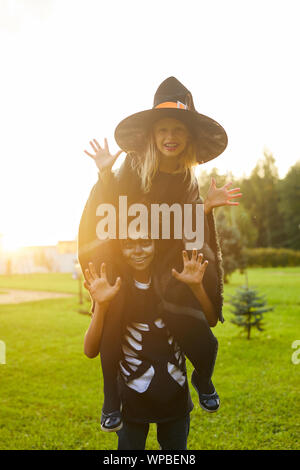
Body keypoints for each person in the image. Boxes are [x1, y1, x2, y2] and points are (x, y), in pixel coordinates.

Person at [78, 77, 242, 433]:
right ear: (152, 136)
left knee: (197, 322)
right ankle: (111, 398)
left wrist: (206, 210)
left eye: (178, 130)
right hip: (129, 259)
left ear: (188, 138)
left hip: (166, 268)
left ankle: (203, 378)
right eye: (163, 129)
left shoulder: (186, 178)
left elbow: (186, 228)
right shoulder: (133, 169)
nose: (170, 136)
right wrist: (105, 171)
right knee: (113, 316)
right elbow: (109, 209)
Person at [84, 233, 218, 450]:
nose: (137, 251)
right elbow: (90, 350)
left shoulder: (176, 278)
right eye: (128, 245)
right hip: (130, 399)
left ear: (157, 244)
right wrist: (100, 304)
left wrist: (196, 287)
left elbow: (210, 321)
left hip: (175, 394)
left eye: (145, 242)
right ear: (120, 249)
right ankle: (109, 400)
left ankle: (203, 379)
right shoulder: (112, 286)